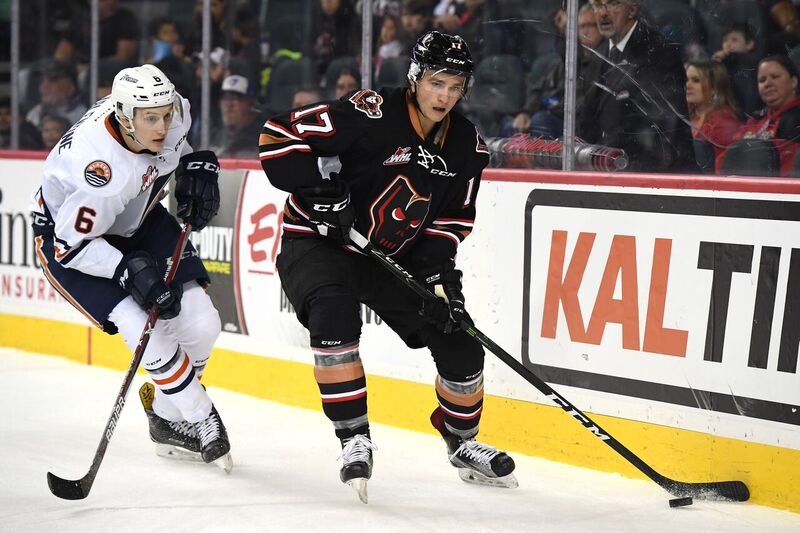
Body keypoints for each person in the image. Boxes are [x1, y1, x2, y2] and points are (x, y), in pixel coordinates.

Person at [259, 30, 516, 503]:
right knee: (334, 317)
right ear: (416, 77)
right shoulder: (369, 111)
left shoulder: (466, 146)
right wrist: (321, 196)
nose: (445, 96)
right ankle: (353, 436)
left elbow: (452, 220)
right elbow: (278, 135)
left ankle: (462, 442)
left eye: (456, 87)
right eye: (437, 83)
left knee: (460, 342)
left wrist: (440, 279)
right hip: (319, 243)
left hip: (388, 257)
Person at [30, 64, 231, 469]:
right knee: (141, 326)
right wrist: (126, 270)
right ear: (124, 117)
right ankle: (200, 415)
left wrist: (195, 165)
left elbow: (176, 151)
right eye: (150, 118)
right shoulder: (98, 176)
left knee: (202, 323)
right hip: (73, 242)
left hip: (137, 216)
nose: (162, 125)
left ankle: (166, 419)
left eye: (165, 114)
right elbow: (72, 246)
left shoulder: (170, 114)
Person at [578, 0, 696, 172]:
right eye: (597, 5)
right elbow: (585, 117)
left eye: (612, 3)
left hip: (653, 177)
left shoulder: (657, 52)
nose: (602, 13)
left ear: (632, 9)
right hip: (610, 170)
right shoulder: (599, 54)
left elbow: (658, 130)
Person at [729, 55, 800, 176]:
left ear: (793, 81)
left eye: (775, 77)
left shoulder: (796, 119)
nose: (767, 83)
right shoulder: (755, 119)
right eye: (762, 80)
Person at [685, 60, 742, 174]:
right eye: (686, 79)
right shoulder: (691, 117)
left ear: (714, 88)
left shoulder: (724, 124)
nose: (687, 85)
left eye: (696, 80)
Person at [209, 74, 262, 159]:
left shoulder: (262, 138)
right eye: (225, 98)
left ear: (251, 105)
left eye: (236, 98)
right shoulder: (213, 135)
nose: (229, 104)